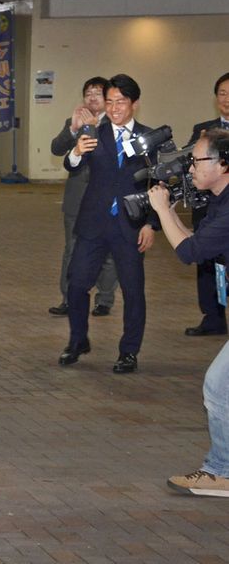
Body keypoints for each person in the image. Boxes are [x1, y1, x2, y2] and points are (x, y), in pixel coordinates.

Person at [148, 128, 229, 497]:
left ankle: (221, 472)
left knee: (218, 385)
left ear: (223, 164)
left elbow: (186, 254)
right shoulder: (219, 199)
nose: (191, 167)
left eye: (197, 160)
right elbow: (195, 244)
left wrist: (163, 210)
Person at [58, 74, 157, 373]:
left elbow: (160, 184)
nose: (114, 108)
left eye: (121, 102)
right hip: (93, 224)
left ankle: (129, 351)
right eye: (110, 101)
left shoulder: (150, 138)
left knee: (132, 291)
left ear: (134, 104)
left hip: (130, 226)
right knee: (76, 286)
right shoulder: (95, 133)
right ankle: (78, 340)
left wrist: (151, 224)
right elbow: (71, 164)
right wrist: (75, 152)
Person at [49, 76, 119, 318]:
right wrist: (73, 129)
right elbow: (56, 148)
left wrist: (94, 128)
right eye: (88, 93)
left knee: (108, 252)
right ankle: (69, 298)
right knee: (72, 249)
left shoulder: (116, 123)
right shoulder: (74, 121)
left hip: (106, 198)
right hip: (77, 197)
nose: (91, 98)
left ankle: (105, 299)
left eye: (97, 93)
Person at [184, 72, 229, 337]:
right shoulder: (203, 128)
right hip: (207, 206)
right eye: (222, 93)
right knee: (205, 262)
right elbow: (191, 160)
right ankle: (212, 317)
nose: (226, 99)